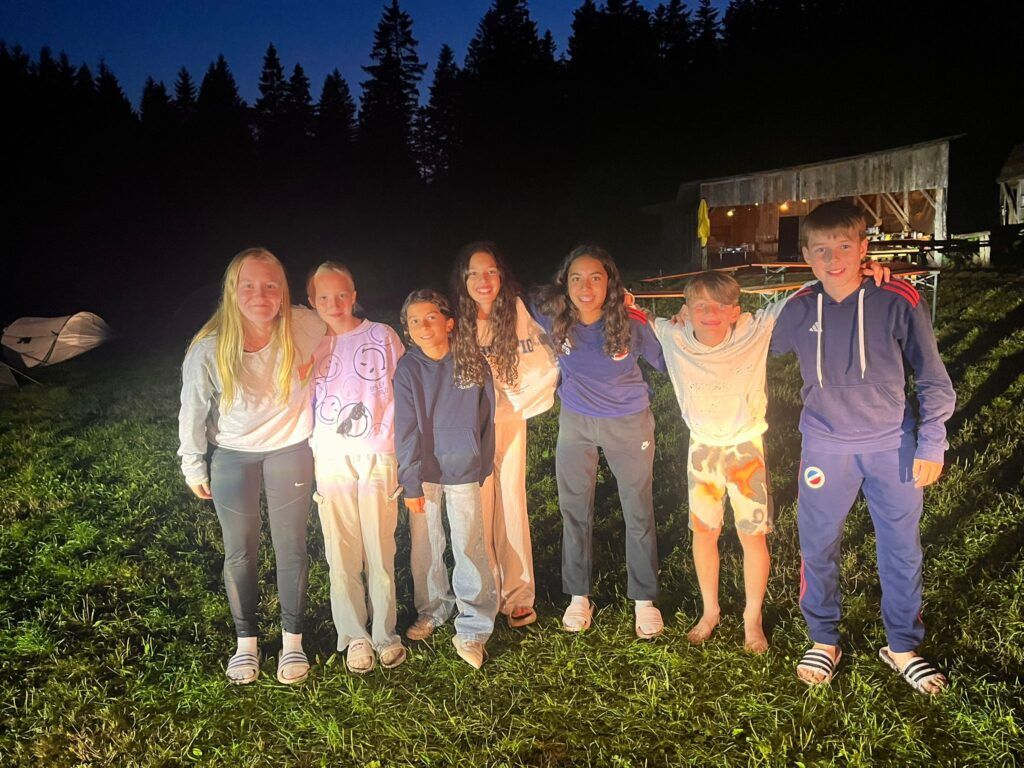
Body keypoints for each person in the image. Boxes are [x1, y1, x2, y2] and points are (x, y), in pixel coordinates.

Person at [652, 263, 891, 653]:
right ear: (686, 309)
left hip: (746, 451)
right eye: (700, 306)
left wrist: (852, 271)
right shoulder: (673, 335)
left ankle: (752, 618)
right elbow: (631, 312)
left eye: (720, 306)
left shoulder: (754, 330)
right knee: (705, 533)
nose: (710, 314)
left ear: (736, 311)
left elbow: (803, 293)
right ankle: (710, 611)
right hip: (703, 454)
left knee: (752, 536)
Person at [770, 201, 955, 694]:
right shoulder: (797, 308)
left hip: (892, 446)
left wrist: (932, 442)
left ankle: (902, 645)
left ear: (863, 248)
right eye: (821, 250)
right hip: (825, 447)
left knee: (901, 547)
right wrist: (692, 319)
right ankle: (824, 638)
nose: (833, 259)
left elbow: (933, 377)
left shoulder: (897, 298)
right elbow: (741, 338)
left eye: (844, 247)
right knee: (818, 543)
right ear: (806, 255)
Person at [178, 247, 325, 685]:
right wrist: (193, 464)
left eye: (270, 285)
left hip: (290, 448)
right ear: (232, 291)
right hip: (233, 454)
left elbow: (339, 322)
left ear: (283, 292)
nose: (260, 295)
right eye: (249, 286)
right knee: (240, 550)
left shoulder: (304, 325)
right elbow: (192, 410)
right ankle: (247, 644)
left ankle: (293, 641)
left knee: (291, 547)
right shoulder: (208, 349)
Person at [530, 244, 667, 639]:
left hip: (629, 423)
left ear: (610, 282)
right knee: (574, 509)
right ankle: (578, 595)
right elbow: (516, 297)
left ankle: (644, 599)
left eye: (595, 278)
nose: (585, 287)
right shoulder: (554, 316)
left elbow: (671, 359)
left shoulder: (631, 322)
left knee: (637, 509)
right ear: (565, 283)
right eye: (576, 278)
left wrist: (686, 325)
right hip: (576, 423)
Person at [450, 242, 558, 629]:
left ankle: (518, 593)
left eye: (491, 271)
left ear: (501, 275)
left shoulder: (519, 309)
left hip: (511, 418)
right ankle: (485, 593)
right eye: (474, 273)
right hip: (471, 426)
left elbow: (563, 316)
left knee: (511, 501)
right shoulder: (455, 320)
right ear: (462, 279)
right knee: (479, 508)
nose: (484, 280)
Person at [306, 261, 406, 673]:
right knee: (341, 549)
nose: (334, 303)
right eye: (324, 297)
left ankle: (385, 633)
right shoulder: (309, 344)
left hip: (378, 453)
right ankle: (354, 635)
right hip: (331, 457)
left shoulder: (381, 336)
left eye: (341, 294)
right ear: (312, 301)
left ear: (354, 295)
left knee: (380, 546)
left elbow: (404, 391)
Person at [393, 288, 498, 669]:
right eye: (414, 321)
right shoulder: (408, 369)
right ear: (407, 329)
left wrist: (482, 462)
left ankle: (474, 624)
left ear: (449, 322)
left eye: (431, 317)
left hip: (464, 468)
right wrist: (410, 480)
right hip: (425, 472)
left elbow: (487, 415)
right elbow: (405, 428)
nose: (423, 326)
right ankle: (433, 609)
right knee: (426, 544)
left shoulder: (472, 361)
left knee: (469, 543)